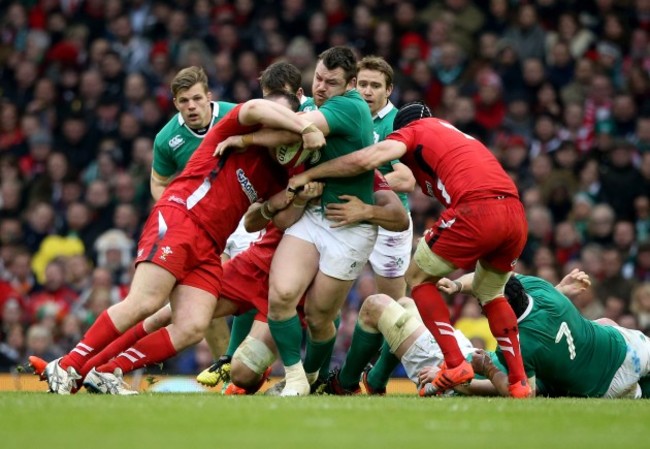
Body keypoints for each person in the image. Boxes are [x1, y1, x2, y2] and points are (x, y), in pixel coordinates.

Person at [33, 92, 326, 394]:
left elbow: (265, 221)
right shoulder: (233, 130)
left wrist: (298, 195)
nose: (270, 123)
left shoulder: (280, 170)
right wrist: (306, 127)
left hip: (210, 244)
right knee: (146, 302)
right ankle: (68, 365)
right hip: (181, 218)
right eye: (272, 116)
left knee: (192, 327)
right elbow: (253, 107)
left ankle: (106, 371)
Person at [286, 100, 532, 398]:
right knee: (491, 293)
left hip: (477, 209)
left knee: (416, 279)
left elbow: (367, 160)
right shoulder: (452, 135)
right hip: (515, 214)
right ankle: (518, 383)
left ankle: (455, 364)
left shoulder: (413, 131)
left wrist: (311, 174)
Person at [215, 46, 377, 396]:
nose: (321, 87)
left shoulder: (348, 106)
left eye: (331, 82)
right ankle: (296, 379)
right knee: (283, 294)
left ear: (349, 84)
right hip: (313, 217)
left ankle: (313, 374)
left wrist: (242, 139)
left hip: (348, 227)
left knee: (320, 318)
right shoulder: (317, 107)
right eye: (318, 77)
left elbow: (294, 132)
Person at [196, 60, 318, 389]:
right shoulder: (255, 124)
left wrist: (247, 141)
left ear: (299, 96)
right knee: (198, 302)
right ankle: (230, 355)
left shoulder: (314, 118)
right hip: (271, 229)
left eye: (277, 101)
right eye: (264, 101)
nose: (269, 111)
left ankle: (314, 375)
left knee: (322, 309)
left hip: (313, 240)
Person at [322, 269, 592, 396]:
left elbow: (513, 391)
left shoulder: (529, 351)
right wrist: (456, 285)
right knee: (406, 304)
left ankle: (344, 385)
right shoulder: (540, 324)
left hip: (453, 373)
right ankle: (376, 382)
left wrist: (453, 380)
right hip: (466, 354)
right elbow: (521, 306)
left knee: (374, 306)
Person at [461, 273, 650, 398]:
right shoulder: (540, 288)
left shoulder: (515, 345)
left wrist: (489, 369)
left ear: (505, 302)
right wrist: (456, 286)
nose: (479, 303)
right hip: (630, 348)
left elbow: (525, 393)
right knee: (604, 323)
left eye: (483, 299)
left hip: (608, 386)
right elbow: (496, 275)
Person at [353, 55, 416, 394]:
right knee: (323, 298)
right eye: (362, 84)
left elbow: (406, 179)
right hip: (349, 217)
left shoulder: (398, 123)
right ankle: (322, 373)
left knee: (393, 308)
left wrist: (363, 185)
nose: (367, 91)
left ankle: (377, 377)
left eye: (375, 86)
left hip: (389, 223)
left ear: (388, 89)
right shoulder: (347, 112)